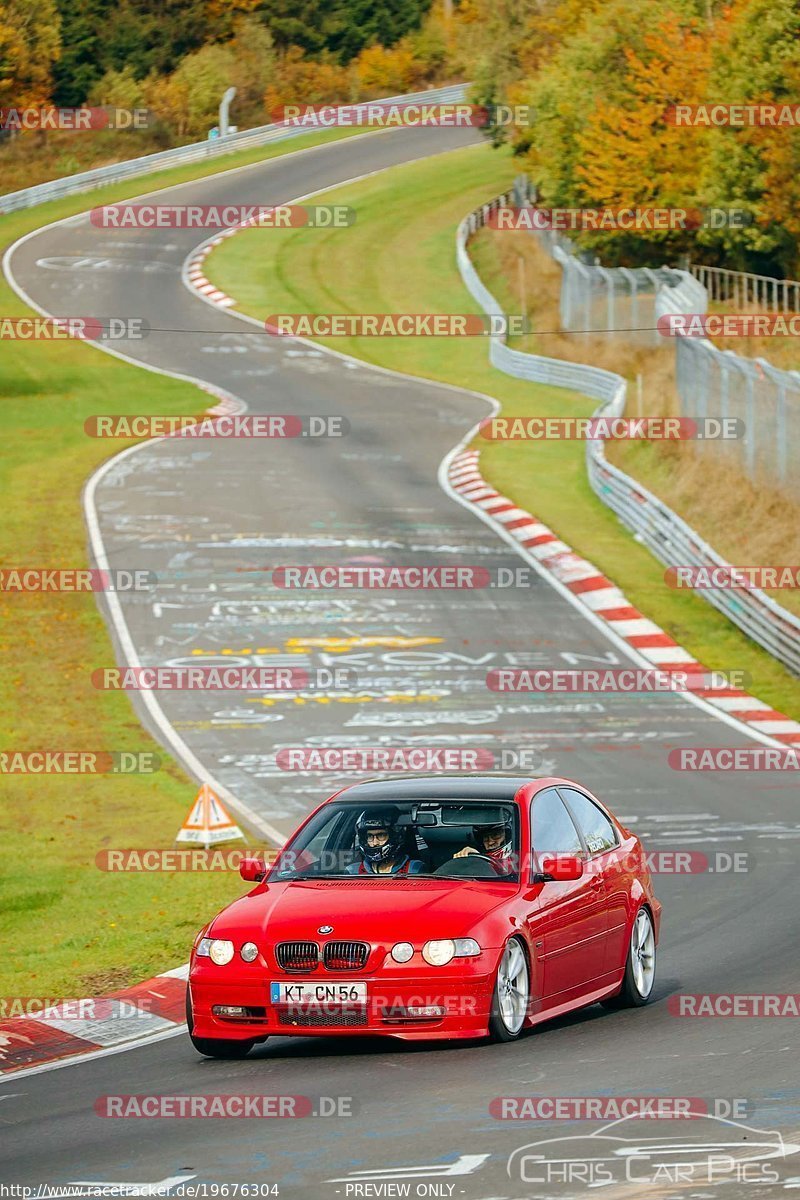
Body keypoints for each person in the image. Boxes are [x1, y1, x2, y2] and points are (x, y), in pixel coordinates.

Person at [346, 807, 425, 876]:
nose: (374, 843)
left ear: (394, 837)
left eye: (381, 835)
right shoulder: (352, 872)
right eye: (370, 836)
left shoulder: (413, 870)